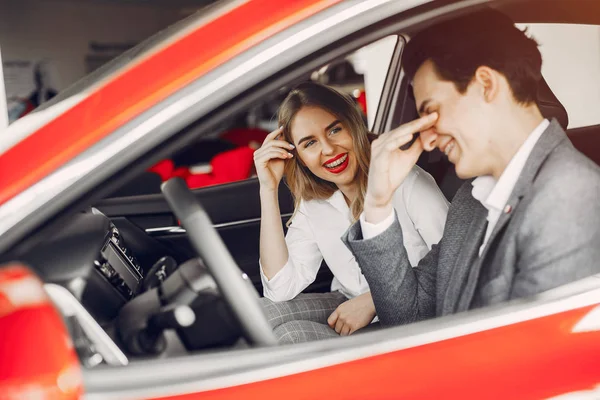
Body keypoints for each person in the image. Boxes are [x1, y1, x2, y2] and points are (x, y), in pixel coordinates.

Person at [342, 9, 600, 327]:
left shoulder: (570, 199)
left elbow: (531, 366)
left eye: (432, 112)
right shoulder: (471, 199)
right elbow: (409, 315)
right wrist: (378, 204)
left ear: (486, 84)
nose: (430, 139)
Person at [254, 82, 449, 343]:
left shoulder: (408, 182)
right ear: (296, 155)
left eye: (334, 130)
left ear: (354, 125)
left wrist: (374, 301)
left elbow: (454, 262)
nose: (328, 149)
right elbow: (280, 288)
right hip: (348, 297)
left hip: (413, 310)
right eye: (309, 143)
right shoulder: (315, 202)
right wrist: (268, 189)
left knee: (290, 336)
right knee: (263, 315)